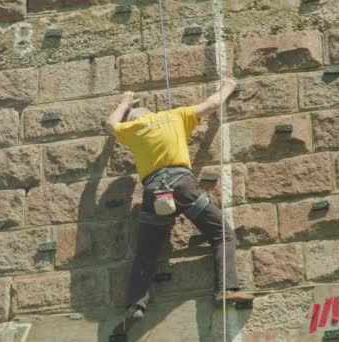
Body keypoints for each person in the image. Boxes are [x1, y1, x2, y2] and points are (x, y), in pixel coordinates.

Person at [106, 78, 254, 322]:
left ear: (134, 119)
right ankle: (226, 290)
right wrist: (228, 86)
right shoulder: (176, 115)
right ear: (150, 113)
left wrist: (123, 102)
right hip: (183, 186)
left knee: (147, 252)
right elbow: (211, 104)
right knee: (222, 233)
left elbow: (110, 125)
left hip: (154, 192)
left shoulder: (133, 129)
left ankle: (134, 306)